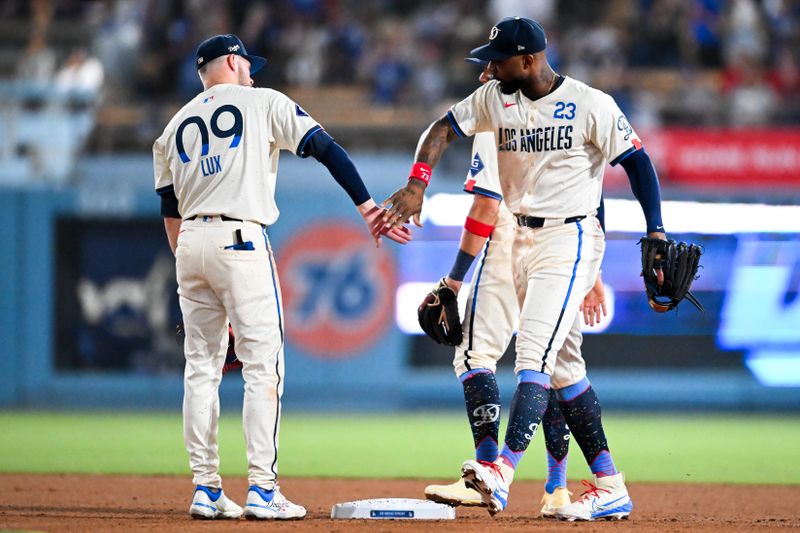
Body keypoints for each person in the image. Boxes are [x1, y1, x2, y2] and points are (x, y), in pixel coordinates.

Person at [384, 17, 667, 521]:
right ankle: (609, 483)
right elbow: (440, 130)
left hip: (570, 236)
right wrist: (417, 181)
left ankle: (502, 471)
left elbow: (638, 163)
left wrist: (656, 231)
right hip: (518, 236)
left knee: (533, 353)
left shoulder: (590, 103)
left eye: (497, 59)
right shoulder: (495, 98)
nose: (488, 68)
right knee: (565, 370)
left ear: (530, 60)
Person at [153, 34, 410, 521]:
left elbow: (171, 213)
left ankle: (205, 489)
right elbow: (326, 148)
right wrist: (368, 207)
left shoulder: (172, 127)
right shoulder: (262, 102)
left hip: (190, 244)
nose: (252, 72)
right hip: (240, 240)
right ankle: (263, 489)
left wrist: (194, 270)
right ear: (232, 61)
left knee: (201, 369)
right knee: (262, 368)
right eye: (248, 64)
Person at [423, 66, 608, 518]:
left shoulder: (498, 110)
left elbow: (487, 204)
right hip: (571, 239)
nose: (487, 72)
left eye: (493, 63)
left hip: (514, 236)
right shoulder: (560, 111)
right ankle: (558, 485)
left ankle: (489, 470)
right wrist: (593, 271)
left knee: (478, 355)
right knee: (555, 357)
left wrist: (453, 280)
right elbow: (588, 187)